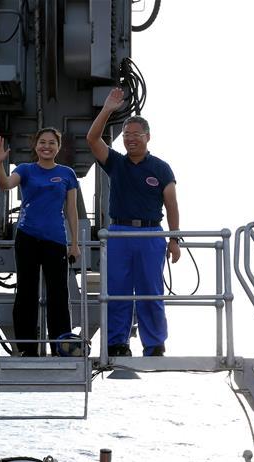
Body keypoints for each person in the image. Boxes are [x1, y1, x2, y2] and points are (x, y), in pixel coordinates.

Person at [86, 87, 181, 357]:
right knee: (117, 290)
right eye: (126, 136)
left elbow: (172, 204)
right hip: (118, 232)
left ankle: (154, 343)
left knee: (151, 291)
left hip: (150, 232)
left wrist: (174, 240)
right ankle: (117, 342)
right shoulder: (116, 162)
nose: (130, 140)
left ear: (147, 137)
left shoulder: (161, 168)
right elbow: (92, 139)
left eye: (136, 135)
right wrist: (107, 110)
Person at [0, 128, 80, 356]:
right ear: (36, 146)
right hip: (28, 236)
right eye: (42, 142)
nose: (47, 146)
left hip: (56, 240)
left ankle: (61, 345)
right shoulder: (26, 170)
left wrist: (75, 243)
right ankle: (26, 347)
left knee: (58, 294)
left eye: (52, 143)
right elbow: (6, 184)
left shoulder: (67, 174)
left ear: (58, 147)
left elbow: (71, 210)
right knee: (26, 292)